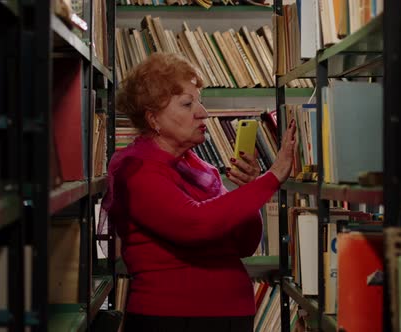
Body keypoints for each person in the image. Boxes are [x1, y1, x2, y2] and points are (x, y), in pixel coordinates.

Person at [102, 52, 296, 332]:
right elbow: (196, 224)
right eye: (187, 103)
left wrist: (250, 190)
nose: (203, 112)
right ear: (153, 118)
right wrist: (270, 179)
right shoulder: (136, 171)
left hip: (227, 317)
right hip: (173, 321)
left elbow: (244, 245)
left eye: (199, 100)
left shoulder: (199, 169)